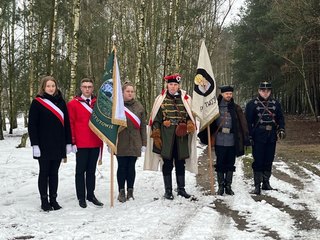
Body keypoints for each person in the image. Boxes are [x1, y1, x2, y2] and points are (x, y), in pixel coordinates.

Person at [144, 74, 198, 200]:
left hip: (181, 137)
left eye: (175, 85)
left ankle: (181, 189)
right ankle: (168, 190)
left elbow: (190, 115)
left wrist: (190, 123)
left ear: (178, 85)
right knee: (167, 163)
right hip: (166, 137)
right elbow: (156, 119)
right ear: (167, 85)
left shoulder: (186, 99)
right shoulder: (160, 99)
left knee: (180, 163)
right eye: (171, 84)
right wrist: (156, 132)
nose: (173, 87)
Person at [28, 76, 72, 211]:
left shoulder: (61, 102)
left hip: (58, 144)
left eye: (53, 86)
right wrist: (35, 144)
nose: (51, 88)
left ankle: (53, 199)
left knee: (54, 173)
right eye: (48, 86)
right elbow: (32, 125)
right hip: (43, 145)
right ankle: (44, 200)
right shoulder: (37, 103)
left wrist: (68, 142)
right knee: (44, 172)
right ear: (43, 87)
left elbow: (67, 125)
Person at [198, 85, 250, 195]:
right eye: (226, 93)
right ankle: (221, 187)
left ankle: (228, 186)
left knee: (230, 163)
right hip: (220, 139)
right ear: (222, 94)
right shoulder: (214, 107)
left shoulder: (236, 108)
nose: (229, 95)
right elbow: (208, 120)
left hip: (232, 139)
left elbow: (243, 124)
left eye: (230, 94)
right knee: (220, 163)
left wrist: (245, 138)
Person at [67, 78, 104, 208]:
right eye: (84, 87)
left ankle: (91, 195)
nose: (87, 89)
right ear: (81, 88)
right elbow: (70, 123)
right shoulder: (73, 104)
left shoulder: (98, 104)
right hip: (81, 143)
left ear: (93, 88)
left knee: (91, 171)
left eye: (89, 87)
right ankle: (81, 197)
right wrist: (72, 141)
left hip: (95, 142)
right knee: (80, 171)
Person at [245, 81, 285, 195]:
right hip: (258, 135)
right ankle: (257, 185)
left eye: (267, 91)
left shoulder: (276, 103)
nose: (265, 93)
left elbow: (280, 118)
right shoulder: (252, 104)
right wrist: (249, 136)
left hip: (271, 135)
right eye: (263, 90)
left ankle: (266, 183)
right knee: (258, 160)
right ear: (259, 91)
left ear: (270, 91)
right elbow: (248, 122)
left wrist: (281, 129)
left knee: (269, 159)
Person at [115, 81, 147, 203]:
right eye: (127, 91)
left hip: (135, 141)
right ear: (122, 93)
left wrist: (144, 143)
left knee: (131, 167)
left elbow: (143, 126)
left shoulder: (139, 107)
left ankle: (130, 190)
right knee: (122, 166)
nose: (130, 93)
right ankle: (121, 191)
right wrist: (110, 142)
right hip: (121, 141)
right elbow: (111, 126)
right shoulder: (117, 106)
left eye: (132, 91)